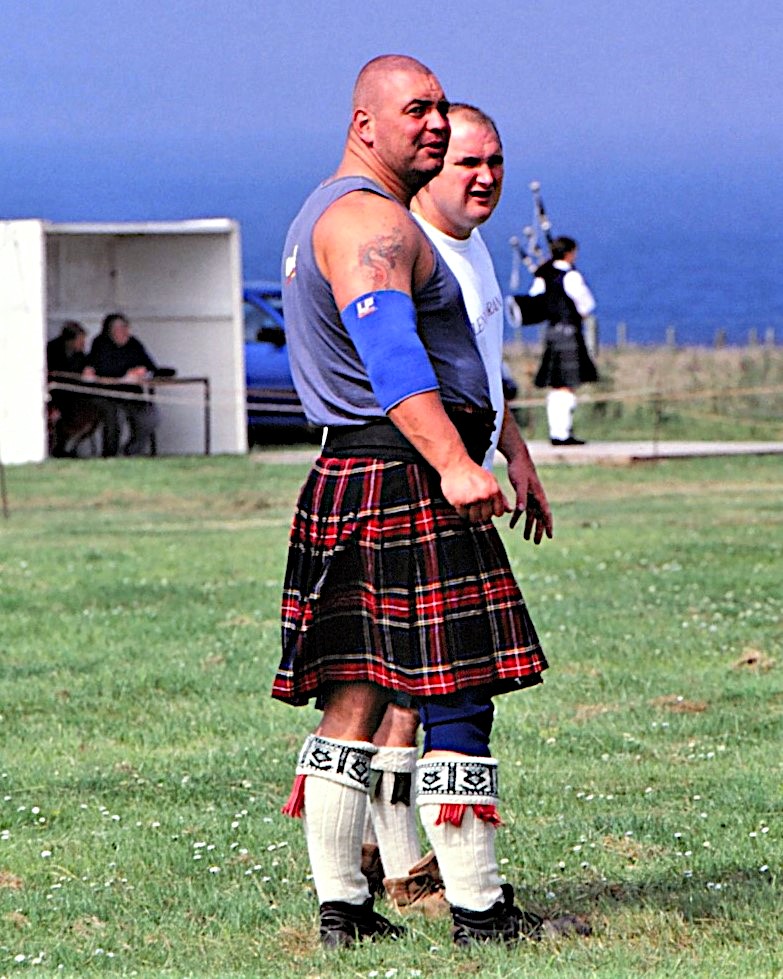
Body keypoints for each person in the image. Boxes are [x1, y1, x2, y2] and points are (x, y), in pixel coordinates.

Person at [274, 54, 583, 950]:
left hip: (351, 473)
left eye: (441, 109)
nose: (436, 125)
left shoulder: (322, 210)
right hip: (403, 473)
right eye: (417, 110)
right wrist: (454, 461)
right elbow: (393, 357)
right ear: (363, 122)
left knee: (357, 698)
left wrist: (502, 443)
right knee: (453, 687)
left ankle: (343, 909)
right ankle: (480, 912)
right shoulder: (372, 221)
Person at [529, 236, 598, 445]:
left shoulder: (543, 276)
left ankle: (557, 431)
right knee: (567, 385)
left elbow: (534, 300)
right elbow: (586, 305)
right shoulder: (571, 276)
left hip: (551, 332)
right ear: (570, 253)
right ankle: (562, 433)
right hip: (570, 332)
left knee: (556, 385)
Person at [83, 313, 160, 457]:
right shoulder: (100, 344)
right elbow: (101, 370)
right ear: (110, 331)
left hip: (131, 394)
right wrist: (126, 374)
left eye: (126, 328)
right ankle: (110, 455)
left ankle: (130, 451)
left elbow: (151, 366)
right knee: (114, 417)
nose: (125, 332)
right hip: (107, 395)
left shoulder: (133, 344)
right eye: (120, 328)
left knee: (151, 418)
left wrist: (143, 372)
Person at [46, 321, 102, 457]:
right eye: (80, 341)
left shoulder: (79, 354)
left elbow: (85, 366)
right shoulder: (53, 351)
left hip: (74, 396)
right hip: (56, 396)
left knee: (94, 411)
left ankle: (69, 446)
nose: (83, 344)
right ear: (70, 341)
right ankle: (61, 448)